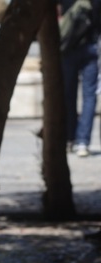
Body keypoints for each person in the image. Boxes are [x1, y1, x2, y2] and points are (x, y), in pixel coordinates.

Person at [61, 0, 100, 157]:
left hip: (69, 48)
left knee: (69, 95)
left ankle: (70, 138)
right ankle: (82, 141)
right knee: (89, 96)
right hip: (90, 47)